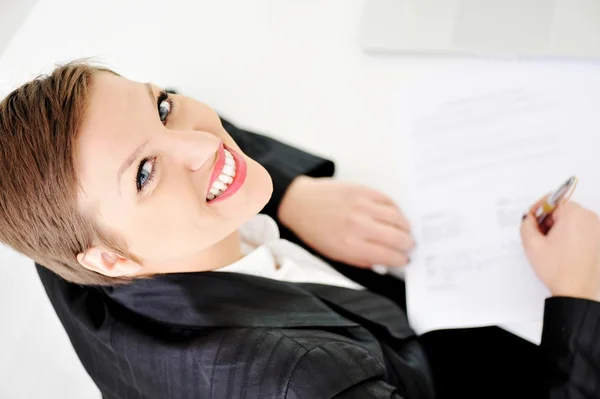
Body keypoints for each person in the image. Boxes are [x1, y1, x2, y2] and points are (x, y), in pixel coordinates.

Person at [0, 62, 599, 399]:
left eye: (162, 108)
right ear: (109, 261)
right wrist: (581, 294)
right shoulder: (314, 383)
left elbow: (125, 117)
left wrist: (291, 192)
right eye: (146, 173)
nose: (205, 141)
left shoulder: (63, 234)